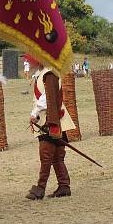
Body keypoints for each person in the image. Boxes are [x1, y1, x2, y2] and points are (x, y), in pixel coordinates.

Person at [23, 55, 75, 200]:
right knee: (57, 156)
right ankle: (64, 186)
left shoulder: (49, 74)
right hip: (50, 119)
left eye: (29, 58)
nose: (27, 61)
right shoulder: (43, 73)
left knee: (46, 156)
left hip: (51, 120)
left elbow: (47, 98)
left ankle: (40, 189)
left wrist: (35, 113)